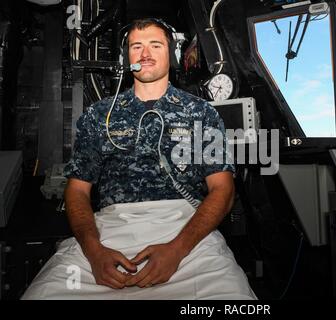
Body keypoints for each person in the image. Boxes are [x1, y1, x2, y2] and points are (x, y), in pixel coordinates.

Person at [22, 18, 256, 300]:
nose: (145, 54)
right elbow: (77, 190)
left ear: (172, 55)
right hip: (109, 233)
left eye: (155, 45)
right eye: (137, 47)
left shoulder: (202, 113)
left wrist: (177, 250)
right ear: (127, 58)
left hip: (187, 234)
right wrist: (94, 252)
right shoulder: (99, 115)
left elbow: (223, 190)